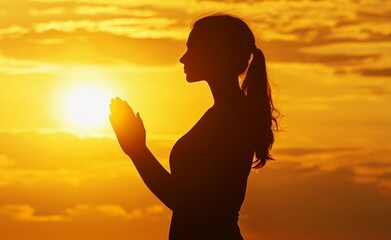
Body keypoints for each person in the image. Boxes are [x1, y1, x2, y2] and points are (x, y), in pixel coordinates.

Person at [109, 13, 279, 240]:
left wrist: (137, 151)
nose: (182, 58)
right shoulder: (226, 113)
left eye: (192, 49)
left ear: (215, 54)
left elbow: (188, 203)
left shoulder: (231, 118)